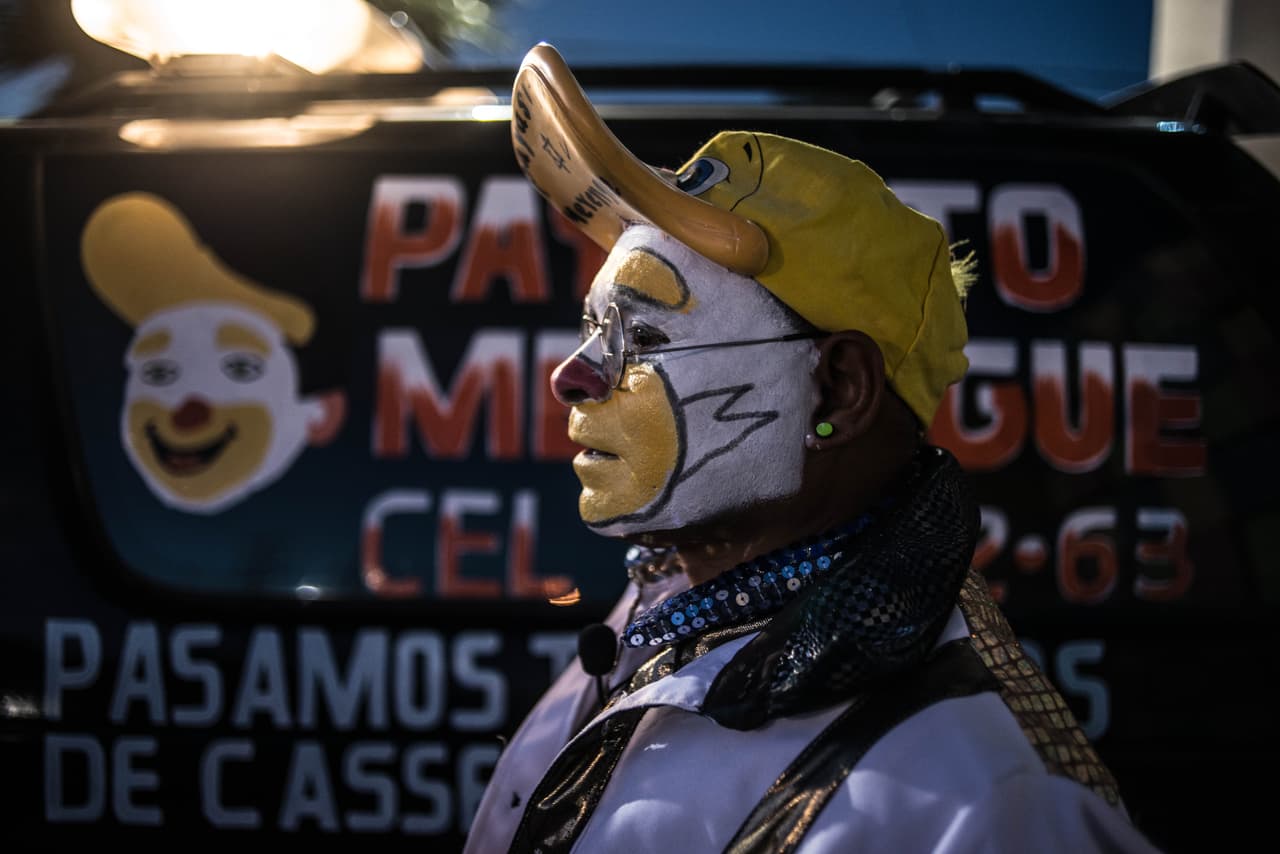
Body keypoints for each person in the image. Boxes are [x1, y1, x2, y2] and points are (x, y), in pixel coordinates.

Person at [464, 43, 1160, 854]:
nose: (574, 376)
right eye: (594, 329)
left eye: (643, 335)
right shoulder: (669, 599)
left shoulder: (975, 810)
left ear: (838, 390)